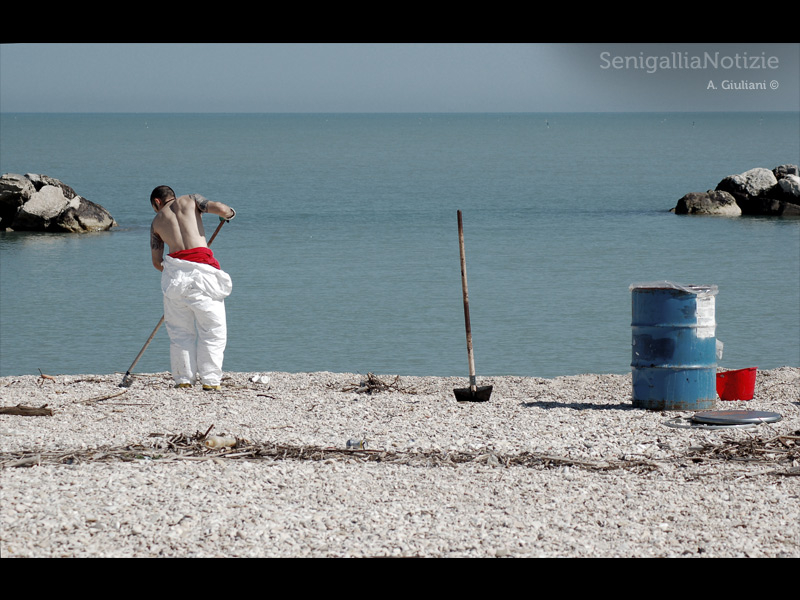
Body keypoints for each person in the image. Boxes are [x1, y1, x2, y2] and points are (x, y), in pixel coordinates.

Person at [149, 185, 235, 390]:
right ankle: (210, 381)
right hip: (204, 277)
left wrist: (179, 271)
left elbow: (157, 262)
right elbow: (222, 209)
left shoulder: (156, 223)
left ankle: (183, 380)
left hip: (175, 280)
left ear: (157, 202)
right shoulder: (191, 199)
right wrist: (230, 214)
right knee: (212, 331)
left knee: (180, 333)